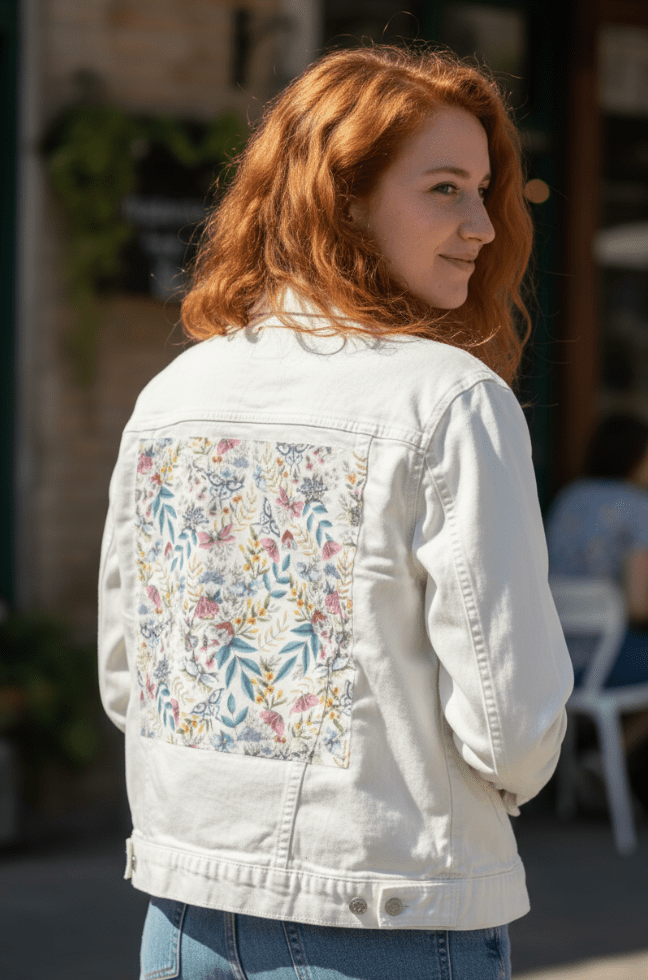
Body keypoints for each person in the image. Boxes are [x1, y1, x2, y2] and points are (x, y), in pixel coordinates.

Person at [98, 44, 573, 980]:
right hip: (387, 917)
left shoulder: (175, 392)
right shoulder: (447, 398)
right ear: (342, 198)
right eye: (445, 188)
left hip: (184, 919)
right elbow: (510, 720)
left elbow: (128, 677)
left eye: (484, 190)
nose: (482, 224)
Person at [545, 415, 648, 796]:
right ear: (634, 457)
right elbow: (639, 607)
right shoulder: (638, 507)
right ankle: (607, 759)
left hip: (554, 658)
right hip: (601, 659)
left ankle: (590, 763)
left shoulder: (570, 496)